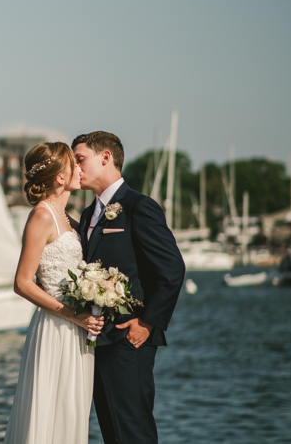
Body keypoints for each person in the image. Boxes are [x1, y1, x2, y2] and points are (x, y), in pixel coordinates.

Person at [73, 131, 185, 444]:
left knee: (133, 431)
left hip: (129, 340)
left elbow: (172, 269)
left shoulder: (139, 207)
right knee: (111, 431)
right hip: (97, 340)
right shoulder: (86, 214)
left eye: (80, 160)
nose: (75, 168)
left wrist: (148, 322)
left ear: (105, 157)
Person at [4, 142, 105, 444]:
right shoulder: (42, 216)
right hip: (56, 326)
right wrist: (74, 316)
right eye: (74, 164)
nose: (79, 169)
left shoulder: (71, 220)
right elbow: (22, 282)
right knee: (50, 411)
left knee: (71, 413)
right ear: (60, 177)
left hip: (78, 330)